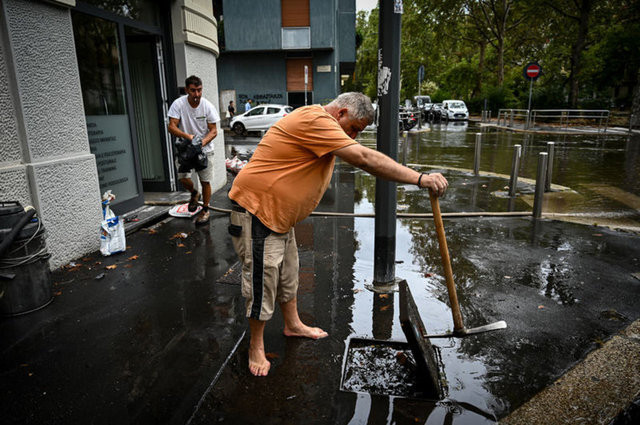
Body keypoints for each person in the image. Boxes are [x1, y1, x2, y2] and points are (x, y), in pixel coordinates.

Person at [227, 92, 448, 376]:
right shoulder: (316, 120)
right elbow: (364, 158)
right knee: (262, 280)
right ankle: (256, 346)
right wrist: (419, 178)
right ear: (341, 113)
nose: (354, 137)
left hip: (279, 214)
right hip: (258, 210)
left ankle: (292, 324)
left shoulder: (322, 122)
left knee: (288, 273)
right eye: (354, 128)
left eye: (359, 132)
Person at [168, 75, 220, 225]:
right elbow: (171, 126)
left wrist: (201, 143)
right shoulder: (178, 104)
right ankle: (194, 193)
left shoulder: (207, 106)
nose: (196, 94)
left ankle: (205, 210)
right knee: (182, 177)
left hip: (205, 149)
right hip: (186, 148)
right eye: (193, 91)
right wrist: (188, 137)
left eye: (199, 90)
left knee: (205, 181)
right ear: (186, 90)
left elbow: (214, 131)